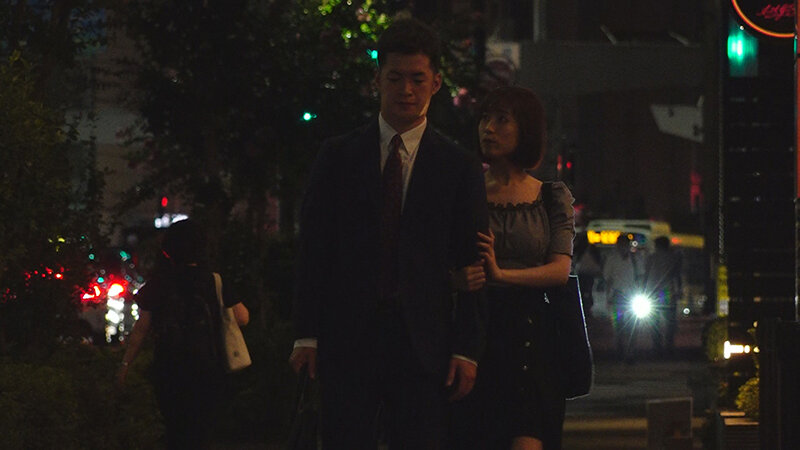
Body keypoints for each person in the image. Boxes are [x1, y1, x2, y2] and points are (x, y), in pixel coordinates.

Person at [288, 18, 489, 450]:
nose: (406, 90)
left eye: (417, 79)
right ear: (377, 80)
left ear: (436, 82)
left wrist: (466, 349)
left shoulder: (458, 167)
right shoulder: (338, 156)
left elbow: (472, 262)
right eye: (395, 78)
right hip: (348, 335)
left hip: (425, 341)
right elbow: (314, 250)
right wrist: (306, 334)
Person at [453, 86, 575, 450]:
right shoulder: (464, 194)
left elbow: (560, 270)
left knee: (528, 435)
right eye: (484, 119)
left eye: (502, 120)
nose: (488, 128)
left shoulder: (551, 196)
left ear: (526, 129)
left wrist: (502, 275)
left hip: (532, 338)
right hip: (476, 333)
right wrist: (455, 279)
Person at [116, 219, 250, 449]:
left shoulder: (159, 283)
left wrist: (126, 364)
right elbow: (243, 317)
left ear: (168, 250)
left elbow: (141, 328)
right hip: (208, 366)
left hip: (169, 367)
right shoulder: (214, 281)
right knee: (202, 430)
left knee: (175, 429)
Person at [602, 234, 642, 359]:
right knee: (619, 325)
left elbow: (640, 277)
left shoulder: (635, 259)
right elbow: (607, 279)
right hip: (618, 295)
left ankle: (630, 351)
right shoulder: (612, 259)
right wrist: (608, 296)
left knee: (632, 325)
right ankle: (620, 350)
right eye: (621, 244)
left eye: (625, 244)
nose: (623, 247)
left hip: (632, 296)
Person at [643, 236, 682, 355]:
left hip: (653, 292)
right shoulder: (673, 258)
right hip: (668, 291)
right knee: (670, 320)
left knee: (654, 320)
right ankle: (669, 345)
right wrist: (679, 290)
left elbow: (646, 275)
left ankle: (656, 345)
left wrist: (643, 290)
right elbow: (677, 275)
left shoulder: (651, 258)